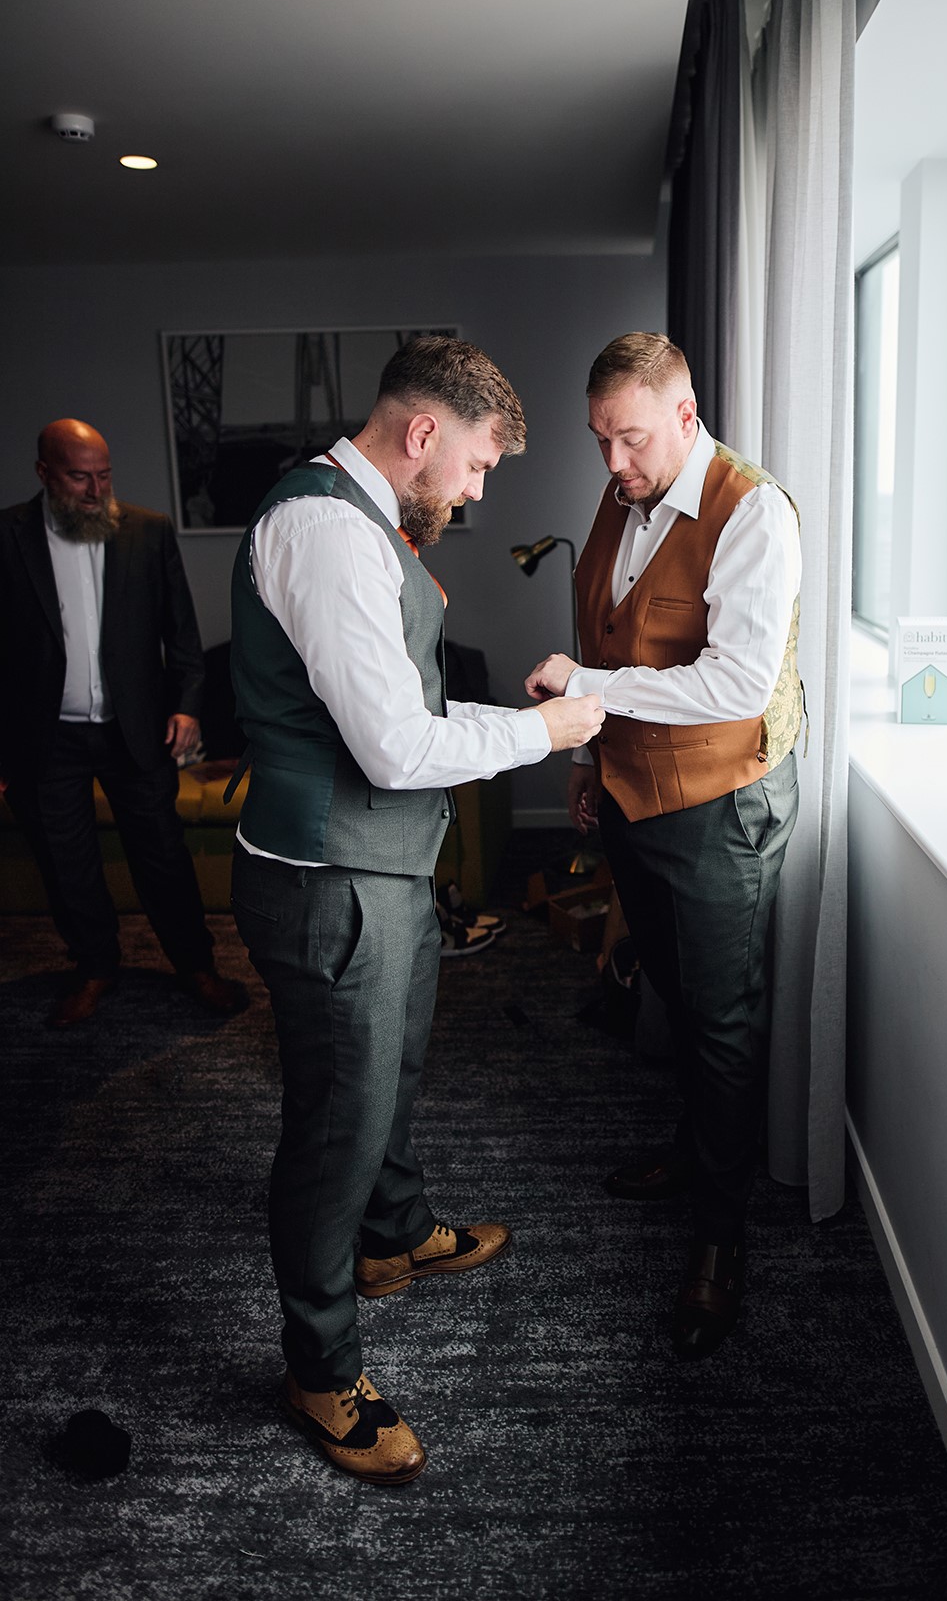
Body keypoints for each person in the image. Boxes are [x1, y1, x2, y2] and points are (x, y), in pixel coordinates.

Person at [229, 335, 603, 1486]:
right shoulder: (328, 529)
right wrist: (541, 733)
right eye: (480, 464)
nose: (479, 491)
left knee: (391, 1072)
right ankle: (320, 1367)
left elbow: (406, 709)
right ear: (424, 433)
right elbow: (395, 748)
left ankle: (393, 1234)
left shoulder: (369, 523)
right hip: (327, 877)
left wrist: (519, 722)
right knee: (335, 1121)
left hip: (383, 865)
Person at [525, 332, 803, 1362]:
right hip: (630, 795)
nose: (613, 463)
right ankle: (694, 1151)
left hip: (719, 807)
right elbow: (604, 631)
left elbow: (735, 683)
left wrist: (587, 692)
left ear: (687, 415)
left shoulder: (754, 513)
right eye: (600, 439)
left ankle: (722, 1242)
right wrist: (586, 755)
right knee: (677, 997)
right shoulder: (622, 495)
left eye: (631, 439)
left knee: (723, 1021)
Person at [0, 419, 242, 1028]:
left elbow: (181, 633)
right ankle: (94, 968)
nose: (96, 490)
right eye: (79, 477)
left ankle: (197, 967)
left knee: (163, 857)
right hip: (45, 738)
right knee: (67, 865)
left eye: (103, 476)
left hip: (134, 730)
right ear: (44, 474)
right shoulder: (7, 535)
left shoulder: (147, 530)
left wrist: (186, 705)